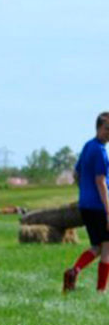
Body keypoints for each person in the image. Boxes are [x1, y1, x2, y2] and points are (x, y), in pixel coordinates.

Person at [63, 112, 109, 294]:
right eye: (107, 129)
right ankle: (101, 291)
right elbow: (101, 182)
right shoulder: (100, 152)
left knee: (97, 246)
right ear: (98, 127)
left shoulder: (88, 146)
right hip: (99, 206)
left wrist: (84, 192)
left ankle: (74, 271)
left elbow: (76, 174)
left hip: (86, 205)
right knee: (107, 248)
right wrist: (108, 210)